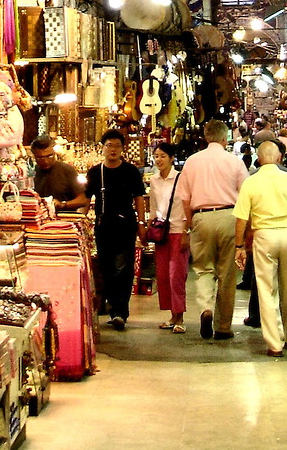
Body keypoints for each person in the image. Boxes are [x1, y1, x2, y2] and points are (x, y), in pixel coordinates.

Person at [233, 141, 287, 356]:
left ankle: (274, 344)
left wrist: (239, 245)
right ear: (280, 158)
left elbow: (241, 219)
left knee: (267, 290)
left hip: (264, 237)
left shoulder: (251, 182)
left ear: (258, 159)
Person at [177, 119, 248, 339]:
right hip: (229, 217)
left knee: (203, 269)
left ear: (206, 137)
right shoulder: (234, 162)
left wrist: (190, 224)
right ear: (225, 138)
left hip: (201, 217)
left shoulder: (192, 162)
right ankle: (223, 327)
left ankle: (206, 308)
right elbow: (245, 196)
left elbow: (184, 199)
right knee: (227, 273)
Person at [85, 130, 146, 331]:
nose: (113, 150)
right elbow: (86, 200)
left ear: (123, 149)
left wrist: (141, 224)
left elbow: (139, 199)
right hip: (103, 226)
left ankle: (121, 311)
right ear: (102, 148)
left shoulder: (130, 171)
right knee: (106, 268)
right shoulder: (95, 172)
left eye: (117, 146)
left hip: (125, 224)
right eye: (109, 145)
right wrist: (80, 220)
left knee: (124, 268)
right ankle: (113, 308)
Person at [147, 144, 188, 331]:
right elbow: (153, 205)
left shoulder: (181, 179)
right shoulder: (154, 180)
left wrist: (188, 230)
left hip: (179, 230)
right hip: (161, 232)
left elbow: (188, 204)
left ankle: (180, 318)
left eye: (163, 156)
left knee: (176, 275)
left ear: (172, 158)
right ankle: (172, 315)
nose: (159, 160)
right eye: (156, 156)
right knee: (163, 275)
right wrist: (150, 226)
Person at [31, 136, 88, 208]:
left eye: (49, 156)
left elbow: (82, 200)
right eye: (40, 158)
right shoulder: (31, 172)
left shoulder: (67, 170)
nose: (45, 161)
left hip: (64, 216)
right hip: (37, 216)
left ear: (54, 153)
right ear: (34, 156)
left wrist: (62, 204)